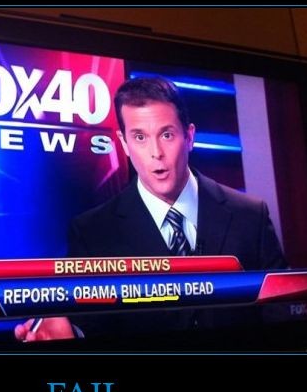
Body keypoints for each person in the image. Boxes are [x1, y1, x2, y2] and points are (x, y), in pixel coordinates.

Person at [15, 77, 287, 343]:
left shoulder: (250, 216)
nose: (156, 152)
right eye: (140, 137)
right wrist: (72, 336)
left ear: (189, 137)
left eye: (167, 135)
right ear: (124, 144)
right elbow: (93, 327)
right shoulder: (91, 233)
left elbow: (284, 319)